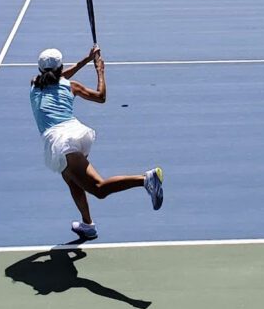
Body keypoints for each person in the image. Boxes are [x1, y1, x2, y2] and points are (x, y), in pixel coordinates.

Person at [29, 45, 164, 241]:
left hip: (61, 142)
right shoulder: (72, 86)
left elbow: (58, 76)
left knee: (99, 189)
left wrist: (87, 61)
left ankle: (146, 179)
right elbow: (101, 97)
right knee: (72, 182)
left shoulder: (34, 84)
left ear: (40, 70)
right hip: (73, 134)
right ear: (60, 67)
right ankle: (88, 225)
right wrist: (98, 69)